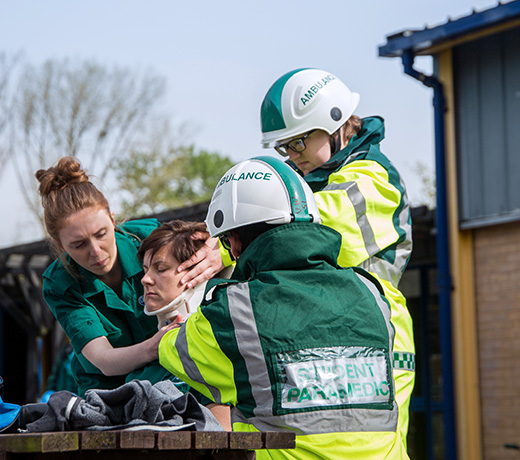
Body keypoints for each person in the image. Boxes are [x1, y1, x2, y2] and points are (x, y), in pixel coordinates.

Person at [159, 157, 409, 459]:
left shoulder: (234, 313)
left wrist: (169, 330)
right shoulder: (374, 292)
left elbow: (175, 352)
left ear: (235, 242)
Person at [259, 68, 415, 444]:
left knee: (370, 447)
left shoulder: (372, 179)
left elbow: (317, 225)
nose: (291, 157)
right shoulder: (310, 182)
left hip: (380, 335)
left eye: (297, 143)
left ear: (335, 124)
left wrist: (232, 242)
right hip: (339, 330)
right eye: (284, 149)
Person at [35, 156, 181, 397]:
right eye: (79, 244)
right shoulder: (60, 285)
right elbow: (105, 360)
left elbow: (212, 247)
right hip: (111, 393)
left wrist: (217, 255)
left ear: (113, 219)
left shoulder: (150, 237)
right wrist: (159, 344)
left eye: (101, 234)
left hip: (175, 375)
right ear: (59, 245)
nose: (95, 252)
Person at [136, 219, 232, 430]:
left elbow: (222, 444)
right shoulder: (147, 362)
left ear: (200, 273)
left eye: (160, 269)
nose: (145, 279)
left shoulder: (215, 353)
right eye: (145, 269)